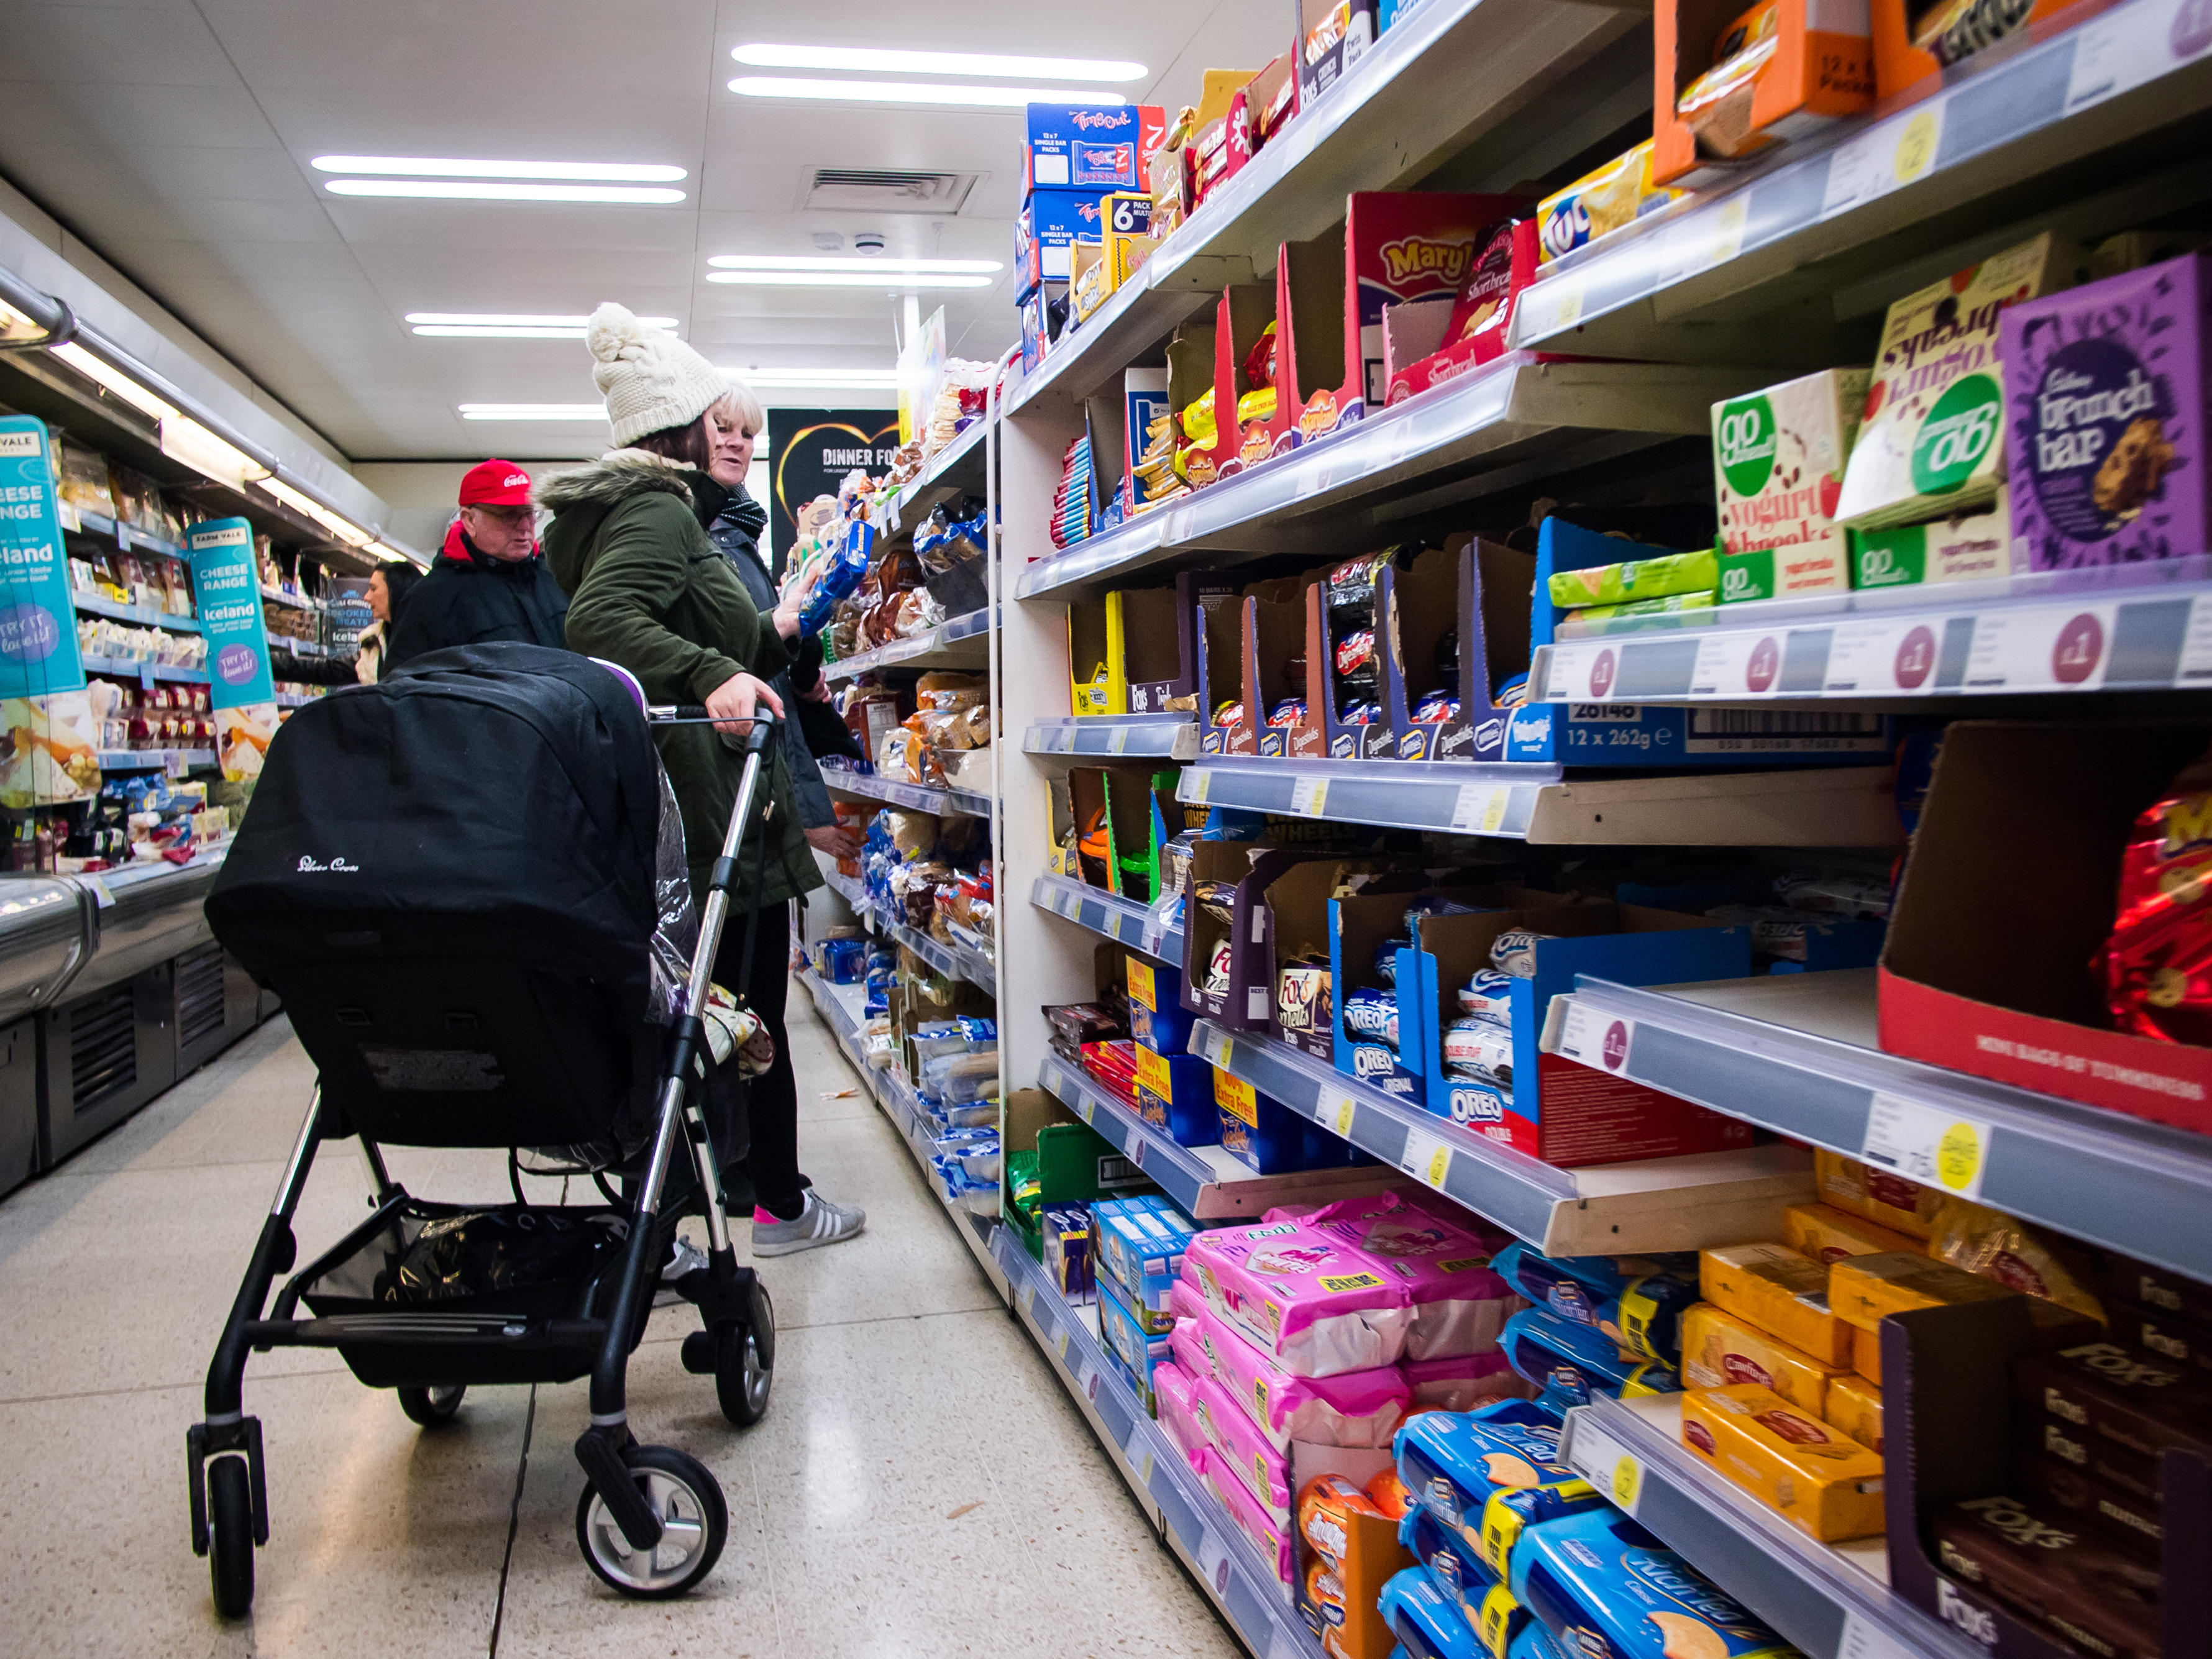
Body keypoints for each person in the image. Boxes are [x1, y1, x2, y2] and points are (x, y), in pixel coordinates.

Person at [541, 301, 863, 1259]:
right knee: (741, 1015)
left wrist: (774, 627)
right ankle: (771, 1206)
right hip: (711, 811)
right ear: (677, 429)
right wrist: (714, 673)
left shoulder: (658, 514)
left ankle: (708, 1210)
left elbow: (710, 625)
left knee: (707, 1015)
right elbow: (597, 625)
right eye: (712, 423)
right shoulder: (655, 507)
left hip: (708, 803)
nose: (726, 438)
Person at [699, 376, 862, 866]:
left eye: (747, 434)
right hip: (733, 769)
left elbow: (759, 636)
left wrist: (804, 666)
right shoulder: (702, 534)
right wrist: (807, 813)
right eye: (723, 428)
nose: (736, 442)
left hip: (755, 761)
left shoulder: (736, 532)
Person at [385, 459, 569, 668]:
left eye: (529, 513)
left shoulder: (557, 579)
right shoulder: (432, 599)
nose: (526, 526)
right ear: (469, 520)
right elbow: (405, 686)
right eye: (509, 515)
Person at [267, 557, 419, 686]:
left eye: (373, 589)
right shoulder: (374, 643)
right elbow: (328, 670)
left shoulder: (425, 642)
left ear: (395, 591)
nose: (366, 597)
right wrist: (263, 662)